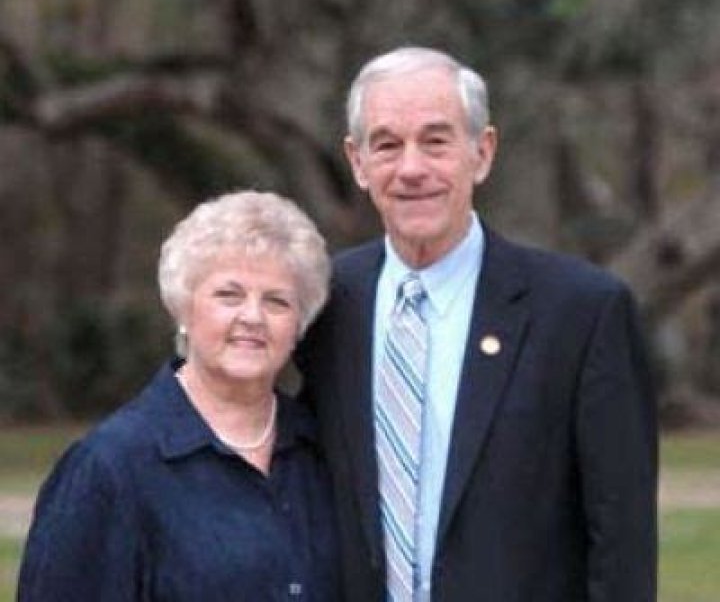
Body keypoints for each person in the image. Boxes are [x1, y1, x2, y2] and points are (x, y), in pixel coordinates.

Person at [297, 47, 658, 601]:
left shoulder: (582, 314)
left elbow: (622, 541)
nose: (411, 168)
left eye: (436, 141)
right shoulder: (320, 301)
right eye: (387, 145)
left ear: (482, 152)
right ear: (358, 162)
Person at [18, 190, 339, 602]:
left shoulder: (323, 451)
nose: (252, 317)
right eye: (229, 295)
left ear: (299, 324)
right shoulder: (109, 469)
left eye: (277, 301)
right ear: (183, 308)